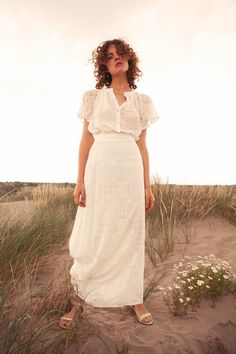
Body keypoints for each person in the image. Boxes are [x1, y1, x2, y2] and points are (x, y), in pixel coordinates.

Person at [59, 38, 160, 329]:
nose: (117, 58)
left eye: (121, 53)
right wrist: (80, 180)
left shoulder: (143, 102)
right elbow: (86, 140)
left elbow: (142, 146)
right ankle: (80, 299)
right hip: (98, 170)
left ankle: (135, 298)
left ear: (130, 59)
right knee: (92, 231)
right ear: (103, 64)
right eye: (110, 56)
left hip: (129, 169)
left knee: (130, 232)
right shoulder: (93, 97)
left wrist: (147, 185)